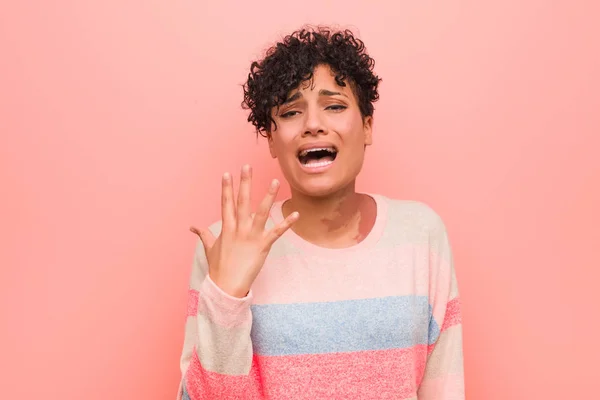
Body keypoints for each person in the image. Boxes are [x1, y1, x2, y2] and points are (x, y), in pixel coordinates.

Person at [177, 26, 464, 400]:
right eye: (292, 111)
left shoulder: (420, 235)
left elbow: (445, 389)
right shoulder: (225, 246)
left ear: (367, 126)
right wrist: (227, 297)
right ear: (271, 140)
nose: (313, 124)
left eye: (334, 106)